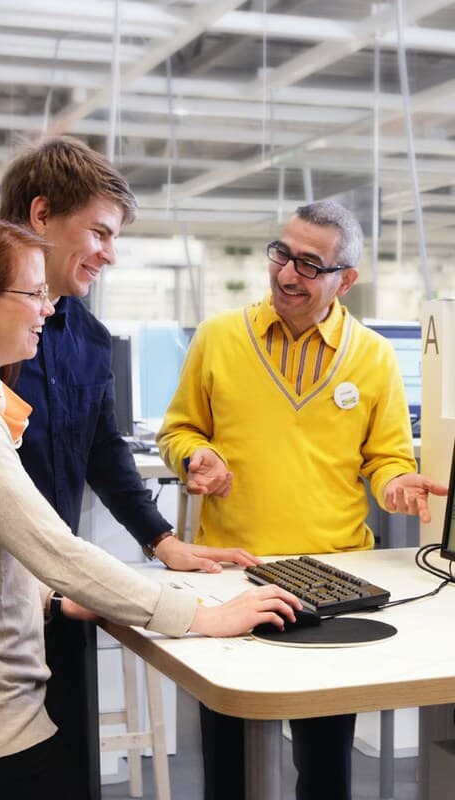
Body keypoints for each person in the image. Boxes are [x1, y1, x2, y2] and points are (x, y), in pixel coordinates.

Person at [0, 137, 258, 800]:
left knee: (62, 758)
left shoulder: (79, 337)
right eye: (99, 231)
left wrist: (160, 540)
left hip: (45, 602)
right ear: (41, 216)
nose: (109, 252)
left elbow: (99, 450)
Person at [156, 199, 448, 800]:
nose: (287, 274)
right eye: (283, 254)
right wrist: (194, 457)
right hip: (233, 572)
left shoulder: (371, 355)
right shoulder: (218, 337)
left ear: (347, 279)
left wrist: (394, 483)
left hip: (334, 576)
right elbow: (178, 431)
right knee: (230, 757)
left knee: (324, 762)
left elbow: (385, 458)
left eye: (310, 264)